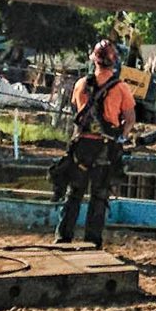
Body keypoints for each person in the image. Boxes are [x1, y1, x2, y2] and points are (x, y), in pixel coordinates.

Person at [55, 39, 136, 247]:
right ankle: (92, 242)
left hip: (80, 147)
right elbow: (130, 119)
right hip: (105, 148)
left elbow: (76, 111)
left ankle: (63, 238)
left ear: (94, 60)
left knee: (74, 194)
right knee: (99, 196)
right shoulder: (121, 88)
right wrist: (121, 136)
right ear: (114, 61)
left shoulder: (80, 85)